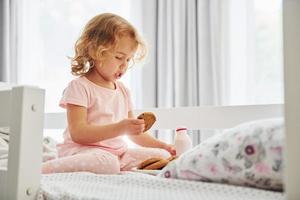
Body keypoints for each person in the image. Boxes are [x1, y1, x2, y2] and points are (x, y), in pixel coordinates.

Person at [42, 13, 175, 174]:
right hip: (82, 151)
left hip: (118, 154)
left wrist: (164, 145)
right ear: (95, 51)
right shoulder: (80, 87)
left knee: (162, 155)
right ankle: (41, 170)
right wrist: (120, 128)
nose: (124, 65)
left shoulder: (123, 91)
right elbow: (78, 133)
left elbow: (135, 135)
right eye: (119, 57)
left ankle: (120, 163)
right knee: (108, 163)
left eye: (128, 60)